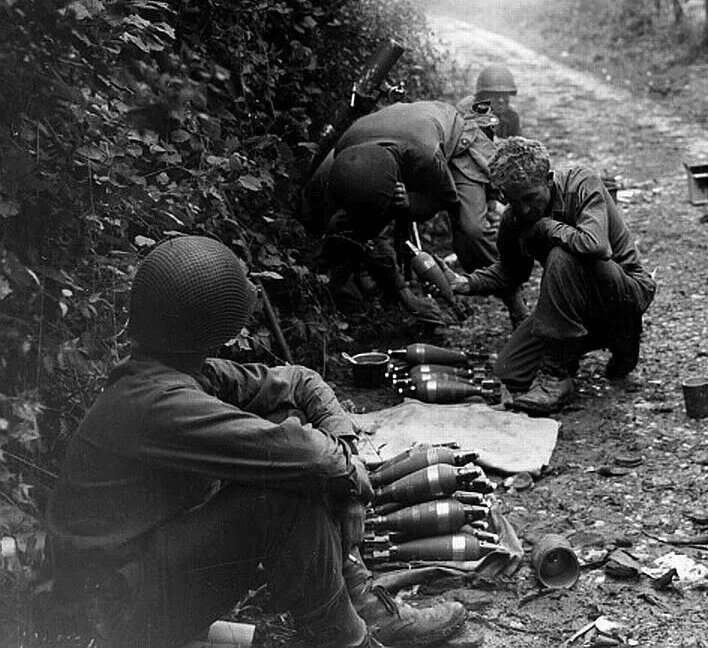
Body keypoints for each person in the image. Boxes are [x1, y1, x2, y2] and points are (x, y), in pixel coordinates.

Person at [46, 235, 468, 648]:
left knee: (290, 424)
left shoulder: (173, 373)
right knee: (286, 489)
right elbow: (315, 462)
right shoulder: (159, 403)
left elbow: (300, 382)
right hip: (114, 613)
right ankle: (347, 636)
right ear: (214, 331)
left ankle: (357, 597)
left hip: (141, 572)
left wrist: (344, 449)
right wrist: (350, 477)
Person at [452, 137, 657, 415]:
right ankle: (603, 338)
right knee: (509, 370)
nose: (524, 209)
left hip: (625, 292)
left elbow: (596, 245)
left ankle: (558, 375)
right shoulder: (515, 218)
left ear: (548, 180)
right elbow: (510, 272)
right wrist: (465, 283)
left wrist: (547, 226)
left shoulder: (581, 185)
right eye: (514, 201)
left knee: (562, 256)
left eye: (529, 198)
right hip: (575, 306)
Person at [306, 99, 527, 326]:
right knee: (351, 232)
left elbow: (446, 197)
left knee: (472, 230)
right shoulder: (344, 160)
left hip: (452, 137)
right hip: (399, 138)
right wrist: (405, 294)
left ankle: (513, 298)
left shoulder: (425, 155)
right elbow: (366, 229)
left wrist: (409, 202)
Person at [459, 64, 521, 139]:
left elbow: (516, 144)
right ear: (483, 95)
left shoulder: (511, 117)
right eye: (495, 95)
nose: (501, 100)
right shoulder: (467, 110)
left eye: (505, 94)